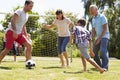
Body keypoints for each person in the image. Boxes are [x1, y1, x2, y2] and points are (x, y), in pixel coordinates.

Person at [89, 5, 110, 71]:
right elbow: (93, 31)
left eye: (92, 10)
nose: (91, 11)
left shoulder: (102, 17)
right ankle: (99, 66)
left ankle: (105, 67)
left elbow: (105, 29)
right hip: (98, 37)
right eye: (90, 10)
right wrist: (91, 37)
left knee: (103, 50)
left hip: (104, 36)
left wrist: (100, 39)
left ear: (96, 9)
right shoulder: (93, 19)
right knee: (94, 51)